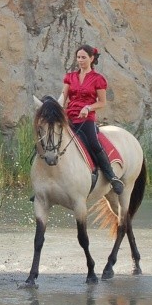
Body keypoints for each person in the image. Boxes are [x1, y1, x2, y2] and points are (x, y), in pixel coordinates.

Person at [62, 44, 123, 195]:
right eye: (78, 57)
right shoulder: (70, 77)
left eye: (83, 57)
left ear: (91, 58)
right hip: (69, 117)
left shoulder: (98, 79)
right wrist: (57, 109)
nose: (80, 60)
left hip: (86, 119)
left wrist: (88, 108)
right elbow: (63, 97)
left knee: (94, 143)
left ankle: (111, 176)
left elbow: (102, 102)